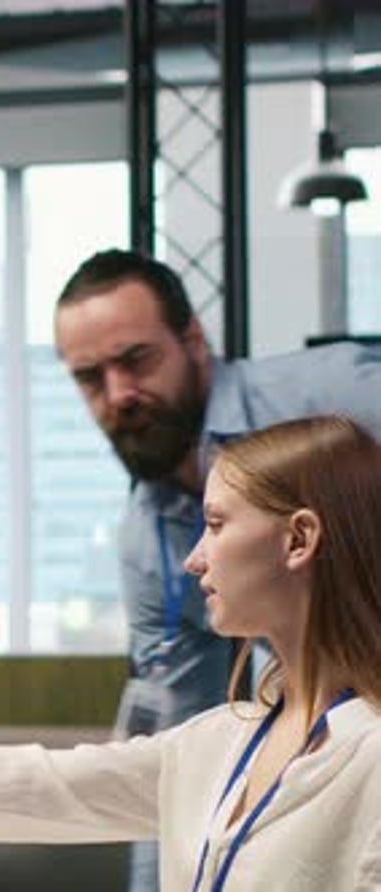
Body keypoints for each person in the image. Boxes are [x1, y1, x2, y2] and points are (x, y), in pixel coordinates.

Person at [0, 414, 379, 892]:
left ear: (298, 539)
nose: (194, 559)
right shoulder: (222, 739)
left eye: (216, 524)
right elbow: (44, 787)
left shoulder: (369, 760)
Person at [54, 248, 381, 890]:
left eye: (135, 359)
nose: (119, 394)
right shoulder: (148, 542)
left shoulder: (337, 395)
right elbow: (179, 761)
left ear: (192, 340)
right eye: (91, 377)